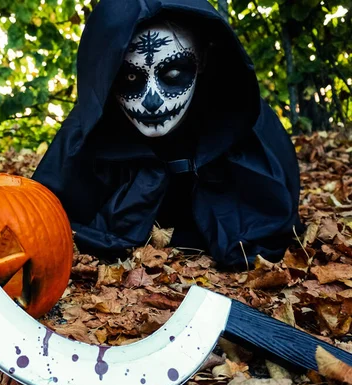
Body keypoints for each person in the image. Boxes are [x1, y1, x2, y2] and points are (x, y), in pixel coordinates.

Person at [32, 0, 304, 268]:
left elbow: (272, 216)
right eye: (130, 78)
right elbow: (40, 218)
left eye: (173, 73)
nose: (152, 102)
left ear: (203, 62)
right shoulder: (83, 138)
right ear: (107, 76)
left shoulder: (248, 127)